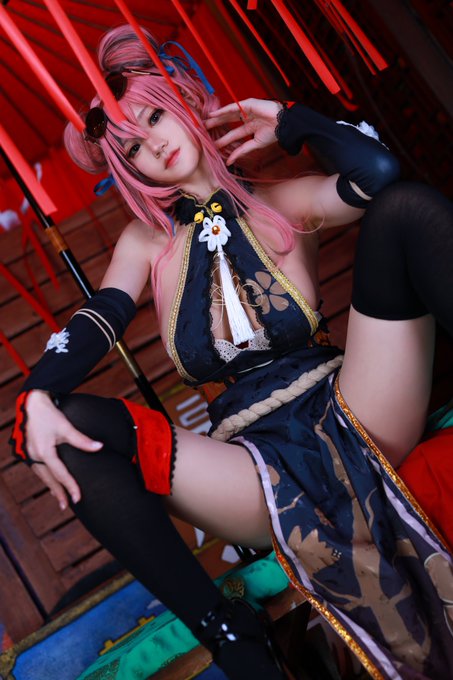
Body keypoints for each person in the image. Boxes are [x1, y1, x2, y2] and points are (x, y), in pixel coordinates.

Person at [10, 24, 453, 680]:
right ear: (126, 169)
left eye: (155, 116)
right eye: (130, 147)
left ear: (186, 103)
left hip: (355, 406)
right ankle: (230, 635)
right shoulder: (145, 242)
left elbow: (378, 174)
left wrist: (291, 122)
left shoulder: (280, 197)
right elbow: (98, 319)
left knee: (407, 209)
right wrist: (37, 394)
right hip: (251, 468)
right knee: (72, 424)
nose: (153, 143)